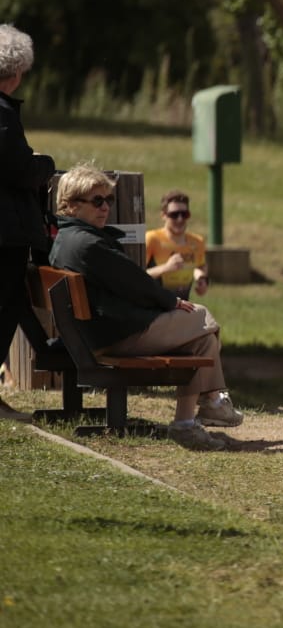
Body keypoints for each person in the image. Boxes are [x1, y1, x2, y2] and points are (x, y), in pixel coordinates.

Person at [49, 164, 243, 450]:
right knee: (202, 317)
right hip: (116, 336)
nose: (105, 208)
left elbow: (130, 284)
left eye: (109, 200)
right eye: (97, 201)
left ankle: (187, 423)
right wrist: (171, 302)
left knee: (202, 341)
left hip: (97, 333)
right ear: (71, 205)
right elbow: (138, 284)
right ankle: (212, 401)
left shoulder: (66, 239)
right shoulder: (88, 245)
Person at [0, 25, 51, 422]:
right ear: (15, 72)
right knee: (7, 303)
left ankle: (52, 355)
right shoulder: (3, 116)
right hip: (5, 232)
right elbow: (18, 169)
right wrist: (45, 166)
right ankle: (55, 356)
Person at [146, 189, 208, 300]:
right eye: (174, 215)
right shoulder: (152, 239)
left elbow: (200, 266)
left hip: (184, 306)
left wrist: (202, 279)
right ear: (163, 215)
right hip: (156, 309)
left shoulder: (197, 242)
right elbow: (136, 276)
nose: (180, 219)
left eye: (184, 214)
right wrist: (165, 268)